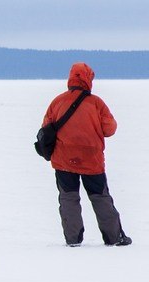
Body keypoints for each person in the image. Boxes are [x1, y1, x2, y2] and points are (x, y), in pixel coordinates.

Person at [41, 62, 131, 247]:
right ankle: (114, 238)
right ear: (89, 79)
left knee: (68, 197)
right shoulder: (96, 103)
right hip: (92, 159)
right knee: (100, 197)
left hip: (64, 158)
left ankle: (73, 239)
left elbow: (46, 127)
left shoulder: (57, 102)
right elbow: (110, 129)